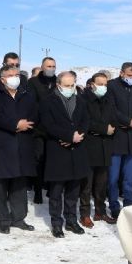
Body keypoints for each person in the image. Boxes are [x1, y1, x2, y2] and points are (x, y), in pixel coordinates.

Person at [0, 65, 38, 234]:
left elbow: (35, 115)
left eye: (17, 74)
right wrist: (15, 124)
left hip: (23, 144)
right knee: (0, 186)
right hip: (2, 145)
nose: (15, 77)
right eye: (11, 75)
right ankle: (3, 220)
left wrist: (26, 124)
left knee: (19, 185)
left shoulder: (28, 96)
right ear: (2, 79)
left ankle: (18, 218)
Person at [40, 71, 90, 238]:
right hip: (58, 150)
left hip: (77, 150)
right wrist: (68, 136)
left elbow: (86, 121)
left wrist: (78, 136)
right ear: (58, 85)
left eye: (72, 85)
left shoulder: (80, 100)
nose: (70, 88)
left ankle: (71, 220)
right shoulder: (48, 101)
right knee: (56, 192)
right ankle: (56, 223)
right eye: (66, 85)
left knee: (73, 191)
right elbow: (47, 124)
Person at [107, 62, 132, 219]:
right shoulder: (112, 86)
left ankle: (128, 205)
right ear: (122, 73)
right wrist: (128, 121)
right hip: (117, 137)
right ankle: (114, 205)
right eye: (129, 75)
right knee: (113, 177)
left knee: (129, 177)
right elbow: (111, 109)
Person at [80, 72, 116, 227]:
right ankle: (85, 214)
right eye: (100, 84)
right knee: (86, 185)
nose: (103, 87)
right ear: (92, 84)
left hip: (105, 146)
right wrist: (103, 129)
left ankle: (100, 212)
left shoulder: (109, 99)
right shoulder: (84, 99)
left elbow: (114, 117)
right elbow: (85, 122)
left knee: (102, 184)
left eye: (105, 84)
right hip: (90, 146)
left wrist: (112, 127)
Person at [27, 56, 58, 204]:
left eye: (53, 66)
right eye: (48, 66)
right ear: (42, 67)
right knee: (39, 159)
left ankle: (51, 188)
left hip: (54, 128)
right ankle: (38, 190)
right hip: (38, 128)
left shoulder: (58, 81)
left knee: (53, 159)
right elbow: (32, 103)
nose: (51, 69)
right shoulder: (33, 82)